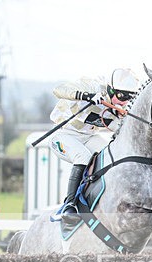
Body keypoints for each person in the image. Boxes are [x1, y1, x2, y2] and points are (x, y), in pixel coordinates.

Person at [48, 67, 142, 224]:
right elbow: (58, 90)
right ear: (110, 90)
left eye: (129, 96)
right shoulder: (92, 86)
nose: (124, 101)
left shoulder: (119, 108)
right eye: (121, 95)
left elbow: (119, 129)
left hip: (88, 137)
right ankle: (70, 206)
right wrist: (87, 96)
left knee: (113, 158)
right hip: (63, 134)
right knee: (83, 157)